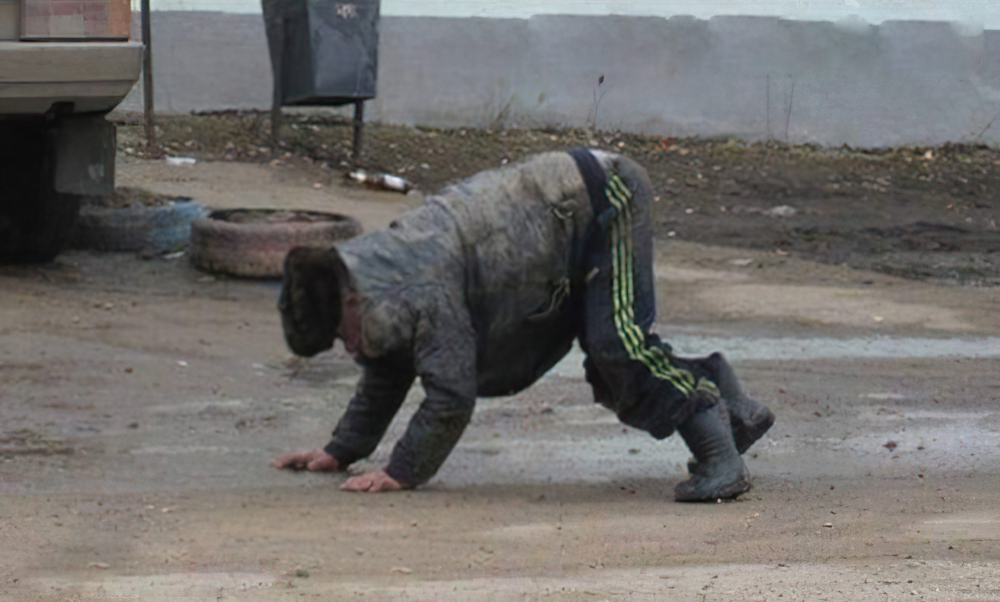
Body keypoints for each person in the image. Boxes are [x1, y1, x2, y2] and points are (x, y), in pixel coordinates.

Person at [271, 149, 774, 501]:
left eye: (341, 334)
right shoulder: (371, 275)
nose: (349, 347)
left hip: (606, 198)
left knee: (619, 348)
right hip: (562, 218)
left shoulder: (415, 281)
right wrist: (341, 451)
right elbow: (391, 364)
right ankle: (734, 408)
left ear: (351, 298)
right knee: (611, 357)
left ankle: (719, 459)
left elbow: (450, 395)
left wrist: (402, 472)